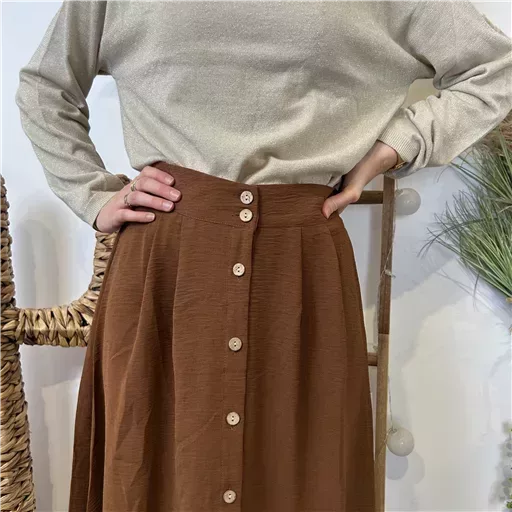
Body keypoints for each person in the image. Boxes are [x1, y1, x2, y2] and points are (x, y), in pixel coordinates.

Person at [14, 0, 512, 511]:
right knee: (149, 467)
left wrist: (392, 148)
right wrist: (93, 194)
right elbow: (45, 85)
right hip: (165, 265)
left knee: (301, 474)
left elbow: (496, 67)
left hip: (302, 261)